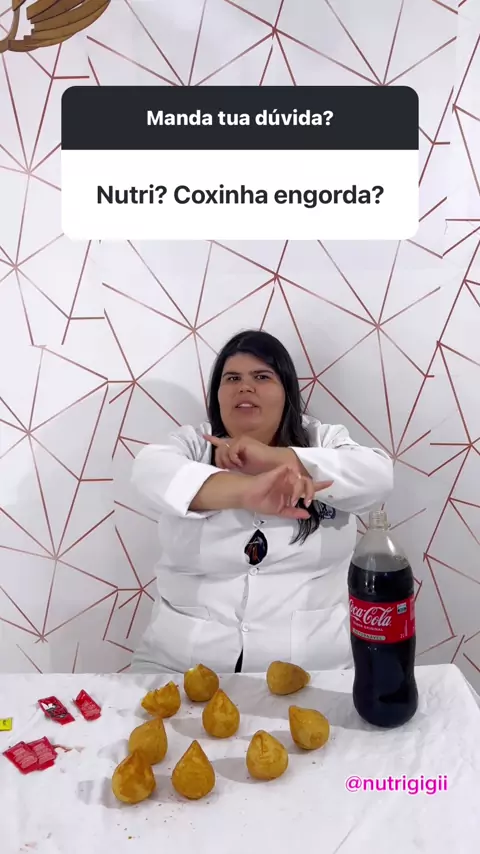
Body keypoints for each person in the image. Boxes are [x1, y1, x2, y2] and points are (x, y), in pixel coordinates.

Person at [130, 330, 393, 674]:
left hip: (314, 668)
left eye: (262, 376)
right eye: (232, 378)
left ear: (287, 392)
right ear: (218, 394)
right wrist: (245, 491)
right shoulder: (193, 444)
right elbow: (149, 472)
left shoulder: (323, 440)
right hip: (180, 664)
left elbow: (378, 476)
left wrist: (273, 458)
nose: (245, 387)